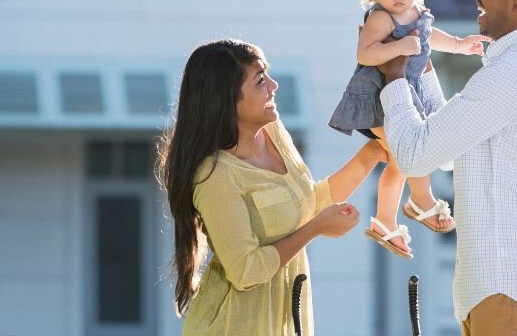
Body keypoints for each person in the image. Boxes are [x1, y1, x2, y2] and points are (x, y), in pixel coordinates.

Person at [377, 0, 517, 335]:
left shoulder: (513, 73)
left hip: (512, 296)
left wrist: (394, 77)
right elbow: (449, 147)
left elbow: (416, 156)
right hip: (511, 294)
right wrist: (421, 69)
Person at [157, 39, 388, 336]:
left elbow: (307, 203)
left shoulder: (273, 134)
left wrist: (372, 153)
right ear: (227, 98)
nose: (274, 86)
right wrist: (316, 228)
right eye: (261, 80)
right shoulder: (214, 175)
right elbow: (246, 271)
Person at [328, 0, 489, 258]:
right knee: (411, 150)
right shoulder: (380, 19)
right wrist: (397, 49)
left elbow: (429, 39)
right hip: (376, 98)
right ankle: (421, 200)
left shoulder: (415, 12)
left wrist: (459, 44)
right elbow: (366, 52)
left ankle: (386, 220)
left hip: (403, 93)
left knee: (402, 160)